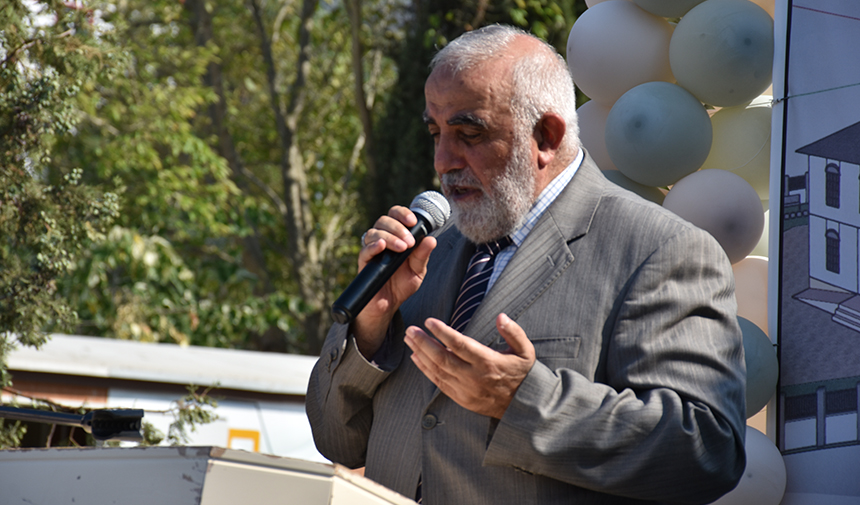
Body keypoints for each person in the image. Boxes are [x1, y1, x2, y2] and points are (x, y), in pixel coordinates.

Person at [306, 24, 746, 505]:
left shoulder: (660, 250)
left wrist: (523, 402)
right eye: (436, 132)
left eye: (469, 133)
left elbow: (707, 450)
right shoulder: (427, 250)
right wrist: (370, 330)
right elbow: (337, 441)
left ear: (547, 135)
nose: (444, 160)